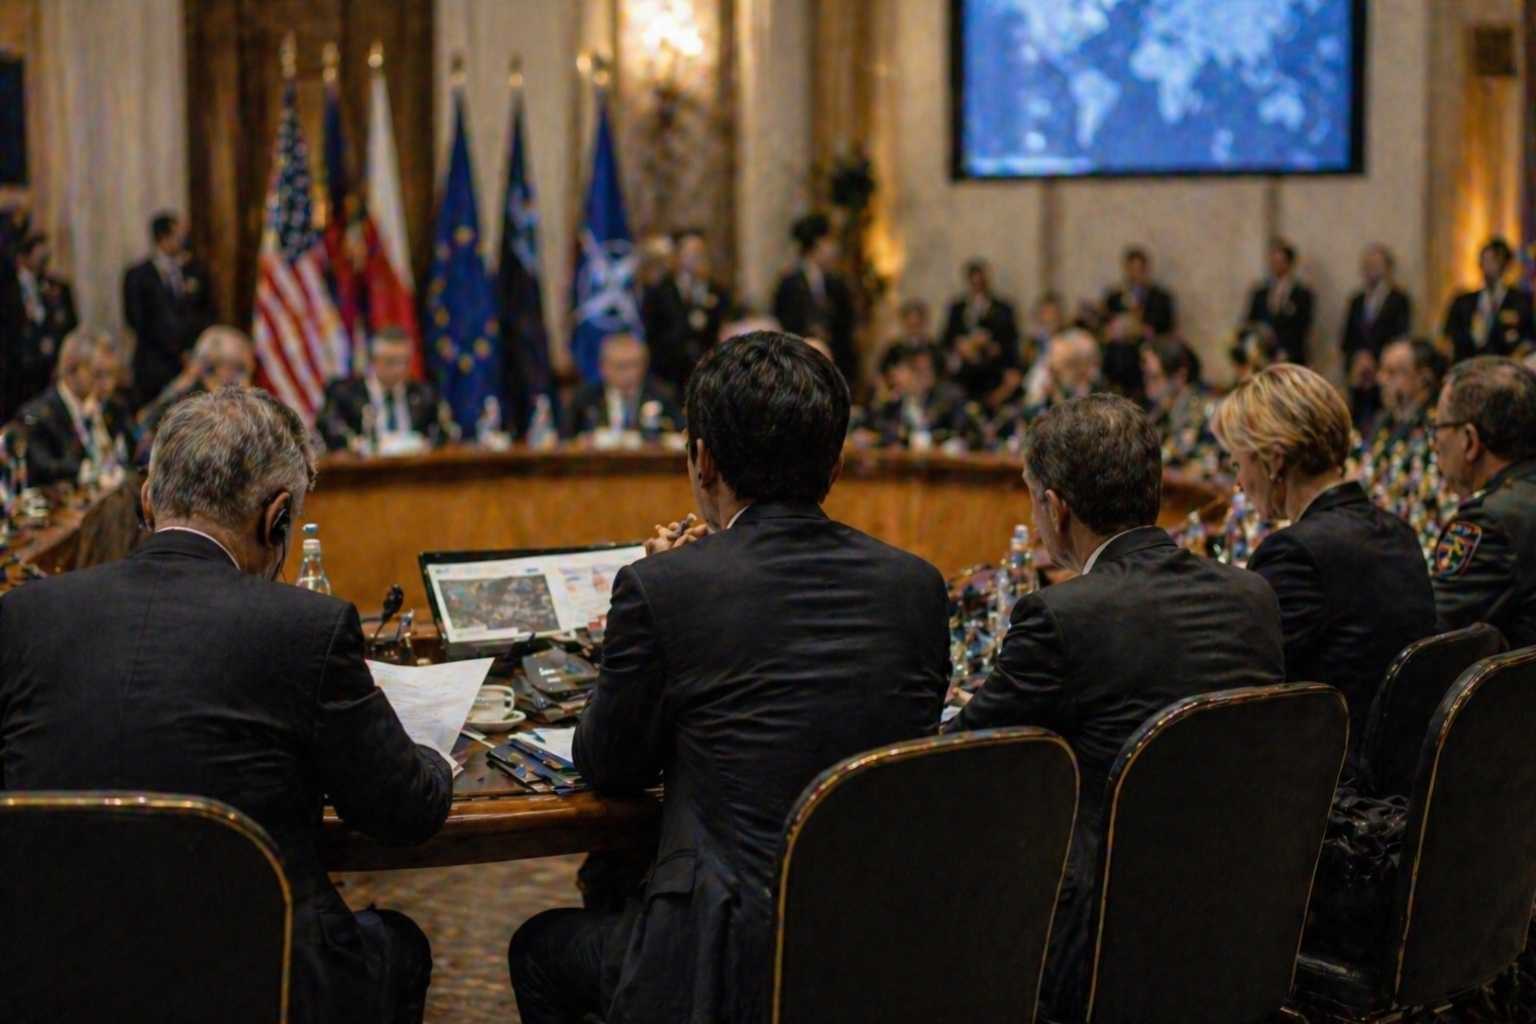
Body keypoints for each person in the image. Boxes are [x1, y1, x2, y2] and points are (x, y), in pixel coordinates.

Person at [507, 331, 950, 1024]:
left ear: (704, 460)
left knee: (538, 949)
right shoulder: (917, 586)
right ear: (835, 466)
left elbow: (610, 765)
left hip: (723, 958)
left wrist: (663, 591)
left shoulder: (665, 587)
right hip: (874, 946)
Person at [0, 387, 452, 1023]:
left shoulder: (24, 615)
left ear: (147, 499)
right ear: (277, 518)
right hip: (256, 983)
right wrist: (435, 750)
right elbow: (407, 811)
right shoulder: (305, 630)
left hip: (48, 976)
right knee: (398, 946)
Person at [942, 394, 1284, 1019]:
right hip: (1244, 911)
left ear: (1055, 507)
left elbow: (962, 757)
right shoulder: (1252, 595)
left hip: (1099, 939)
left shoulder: (1060, 616)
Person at [1212, 364, 1435, 744]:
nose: (1238, 483)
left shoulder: (1294, 554)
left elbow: (1241, 684)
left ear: (1274, 460)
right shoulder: (1398, 531)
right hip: (1401, 759)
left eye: (1238, 462)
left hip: (1332, 766)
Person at [1428, 356, 1536, 646]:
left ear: (1469, 440)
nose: (1434, 444)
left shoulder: (1488, 525)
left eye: (1438, 428)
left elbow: (1434, 632)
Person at [123, 211, 214, 409]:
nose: (183, 239)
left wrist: (193, 350)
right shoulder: (138, 275)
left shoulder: (195, 271)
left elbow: (207, 312)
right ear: (163, 238)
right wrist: (174, 349)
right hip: (154, 365)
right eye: (178, 234)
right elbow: (136, 319)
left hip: (191, 364)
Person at [16, 328, 131, 486]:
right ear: (71, 370)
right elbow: (45, 468)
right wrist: (90, 472)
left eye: (111, 375)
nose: (108, 386)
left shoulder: (112, 407)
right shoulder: (36, 417)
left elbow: (129, 456)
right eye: (97, 375)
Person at [317, 328, 448, 452]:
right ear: (373, 361)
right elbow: (329, 428)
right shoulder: (345, 394)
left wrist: (429, 443)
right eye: (391, 362)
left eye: (405, 362)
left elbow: (442, 433)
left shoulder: (424, 394)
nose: (400, 369)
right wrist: (351, 443)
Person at [136, 325, 255, 456]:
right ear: (224, 369)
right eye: (243, 370)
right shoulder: (198, 405)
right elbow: (144, 425)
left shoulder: (192, 394)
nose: (247, 382)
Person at [640, 228, 731, 395]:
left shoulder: (717, 291)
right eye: (689, 252)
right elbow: (651, 333)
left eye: (699, 252)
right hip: (669, 376)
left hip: (709, 374)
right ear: (676, 255)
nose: (695, 258)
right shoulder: (658, 292)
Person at [771, 213, 858, 386]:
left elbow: (846, 328)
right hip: (800, 368)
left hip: (835, 367)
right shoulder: (789, 283)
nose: (835, 249)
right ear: (818, 244)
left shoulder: (836, 284)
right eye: (830, 242)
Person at [1340, 243, 1412, 424]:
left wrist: (1375, 361)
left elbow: (1401, 335)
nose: (1370, 269)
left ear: (1387, 268)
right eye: (1367, 264)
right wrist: (1358, 359)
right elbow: (1347, 338)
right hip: (1358, 376)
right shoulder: (1356, 301)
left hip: (1384, 370)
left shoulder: (1399, 299)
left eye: (1375, 264)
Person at [8, 233, 78, 416]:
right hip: (19, 372)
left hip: (51, 368)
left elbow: (70, 326)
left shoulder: (57, 287)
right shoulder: (9, 291)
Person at [563, 332, 682, 439]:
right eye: (620, 366)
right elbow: (566, 438)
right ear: (603, 367)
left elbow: (680, 433)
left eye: (633, 365)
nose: (627, 373)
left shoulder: (661, 395)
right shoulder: (586, 398)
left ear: (645, 365)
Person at [941, 258, 1022, 410]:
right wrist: (961, 346)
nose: (977, 287)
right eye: (974, 283)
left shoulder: (1003, 309)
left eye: (981, 283)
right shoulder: (957, 309)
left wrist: (990, 345)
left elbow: (1011, 342)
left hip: (994, 372)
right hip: (965, 375)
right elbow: (947, 339)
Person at [1441, 237, 1536, 362]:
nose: (1489, 266)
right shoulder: (1463, 302)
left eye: (1494, 260)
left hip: (1506, 365)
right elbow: (1448, 339)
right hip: (1469, 365)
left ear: (1506, 264)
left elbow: (1529, 339)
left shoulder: (1520, 301)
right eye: (1485, 260)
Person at [857, 342, 967, 449]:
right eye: (912, 369)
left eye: (921, 371)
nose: (913, 377)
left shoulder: (947, 400)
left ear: (934, 375)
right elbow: (875, 428)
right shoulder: (895, 400)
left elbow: (955, 434)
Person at [1364, 337, 1445, 451]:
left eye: (1392, 372)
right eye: (1381, 370)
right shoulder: (1382, 420)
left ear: (1423, 379)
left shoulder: (1432, 426)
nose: (1380, 379)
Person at [1245, 238, 1315, 365]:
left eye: (1279, 262)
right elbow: (1250, 321)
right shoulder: (1260, 293)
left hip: (1292, 358)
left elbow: (1303, 327)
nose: (1275, 266)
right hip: (1262, 358)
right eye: (1273, 262)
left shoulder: (1302, 295)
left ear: (1289, 263)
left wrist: (1286, 351)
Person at [1103, 245, 1176, 337]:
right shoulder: (1114, 296)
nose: (1136, 274)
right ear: (1126, 270)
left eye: (1140, 269)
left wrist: (1143, 325)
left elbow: (1166, 325)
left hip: (1151, 341)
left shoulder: (1161, 297)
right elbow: (1106, 320)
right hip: (1120, 341)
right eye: (1132, 269)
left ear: (1147, 270)